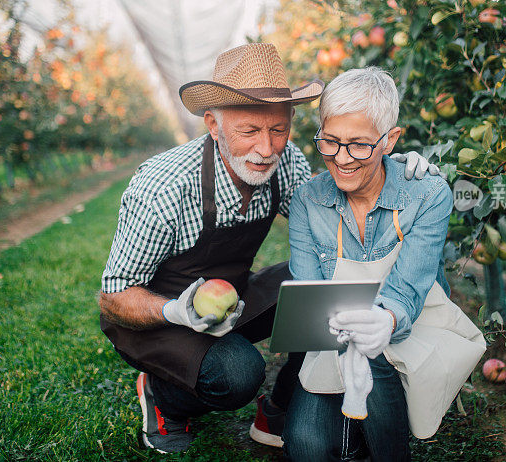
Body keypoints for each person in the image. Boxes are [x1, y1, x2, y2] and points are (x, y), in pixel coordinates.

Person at [98, 44, 442, 455]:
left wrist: (391, 166)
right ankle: (165, 397)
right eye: (249, 132)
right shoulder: (165, 187)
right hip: (155, 315)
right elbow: (113, 295)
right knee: (238, 372)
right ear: (213, 124)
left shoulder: (286, 163)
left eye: (278, 130)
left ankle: (278, 407)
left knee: (318, 294)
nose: (266, 148)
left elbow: (335, 198)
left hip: (229, 300)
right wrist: (176, 311)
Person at [282, 67, 454, 461]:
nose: (342, 159)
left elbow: (407, 290)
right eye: (330, 142)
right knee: (306, 446)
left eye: (359, 145)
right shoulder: (309, 201)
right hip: (338, 342)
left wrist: (385, 319)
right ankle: (355, 431)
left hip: (411, 334)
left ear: (389, 140)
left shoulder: (427, 194)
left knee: (374, 353)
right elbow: (310, 298)